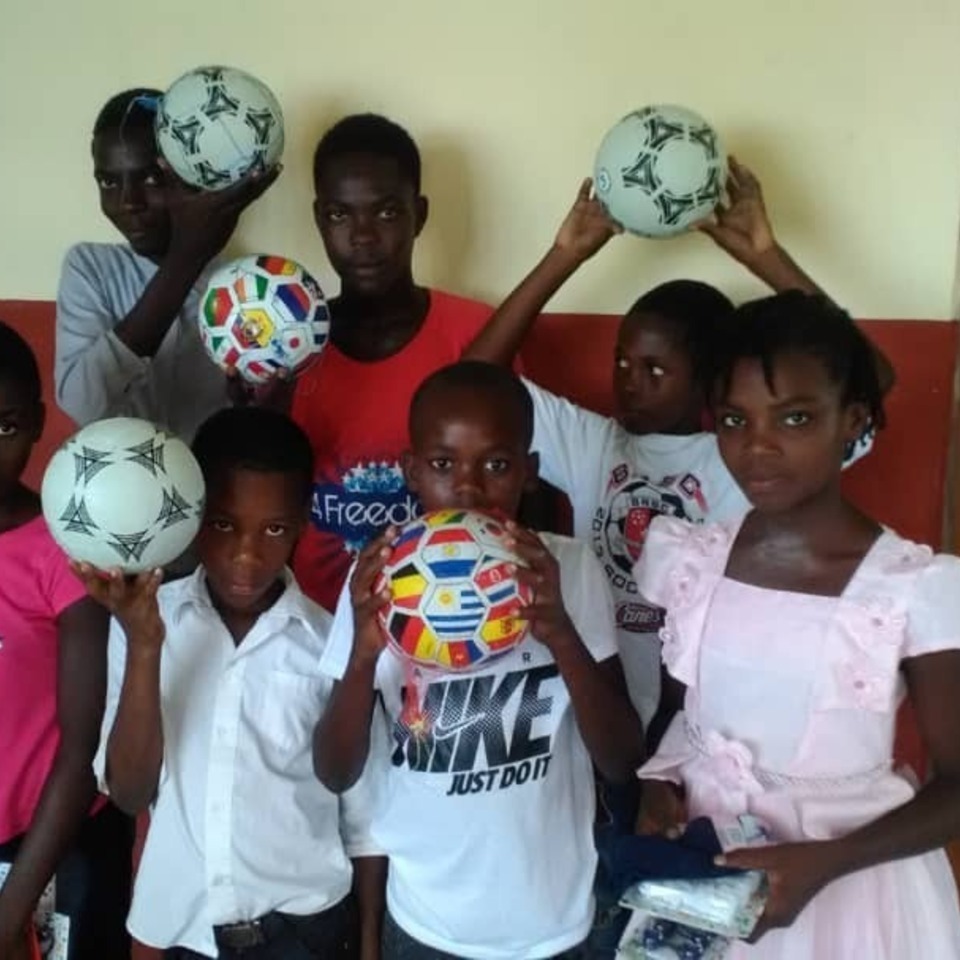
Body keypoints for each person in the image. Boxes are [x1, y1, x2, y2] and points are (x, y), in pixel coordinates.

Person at [466, 159, 886, 730]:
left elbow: (872, 379)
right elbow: (473, 383)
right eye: (622, 361)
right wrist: (564, 256)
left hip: (715, 725)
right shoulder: (593, 442)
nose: (627, 380)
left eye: (654, 369)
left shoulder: (753, 457)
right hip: (602, 716)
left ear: (710, 380)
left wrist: (764, 257)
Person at [635, 292, 960, 958]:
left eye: (796, 418)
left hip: (849, 892)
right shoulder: (693, 563)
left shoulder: (906, 589)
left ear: (854, 422)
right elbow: (680, 712)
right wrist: (659, 785)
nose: (758, 447)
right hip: (707, 877)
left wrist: (828, 861)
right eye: (734, 419)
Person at [313, 360, 644, 959]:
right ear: (412, 471)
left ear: (530, 473)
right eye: (443, 465)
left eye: (496, 465)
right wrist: (363, 656)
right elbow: (335, 771)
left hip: (554, 922)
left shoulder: (568, 568)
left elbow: (622, 760)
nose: (467, 488)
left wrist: (561, 633)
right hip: (427, 923)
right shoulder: (378, 583)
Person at [78, 407, 384, 959]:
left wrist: (368, 947)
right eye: (223, 524)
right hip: (183, 928)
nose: (246, 555)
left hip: (305, 929)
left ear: (301, 525)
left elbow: (364, 819)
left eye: (274, 530)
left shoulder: (329, 641)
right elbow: (128, 791)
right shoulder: (144, 622)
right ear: (191, 516)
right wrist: (146, 647)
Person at [289, 114, 495, 612]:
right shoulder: (286, 345)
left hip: (446, 614)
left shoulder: (475, 333)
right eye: (340, 215)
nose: (362, 236)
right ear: (319, 218)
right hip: (311, 622)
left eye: (385, 213)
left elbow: (529, 488)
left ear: (418, 214)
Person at [0, 321, 129, 960]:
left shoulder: (66, 549)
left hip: (57, 845)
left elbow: (83, 747)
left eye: (5, 428)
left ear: (35, 422)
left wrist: (10, 913)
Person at [55, 87, 278, 440]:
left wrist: (249, 404)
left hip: (211, 485)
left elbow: (257, 421)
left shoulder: (241, 288)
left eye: (150, 178)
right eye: (108, 181)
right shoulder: (89, 267)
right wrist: (184, 259)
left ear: (193, 177)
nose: (129, 202)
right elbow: (84, 403)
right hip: (118, 490)